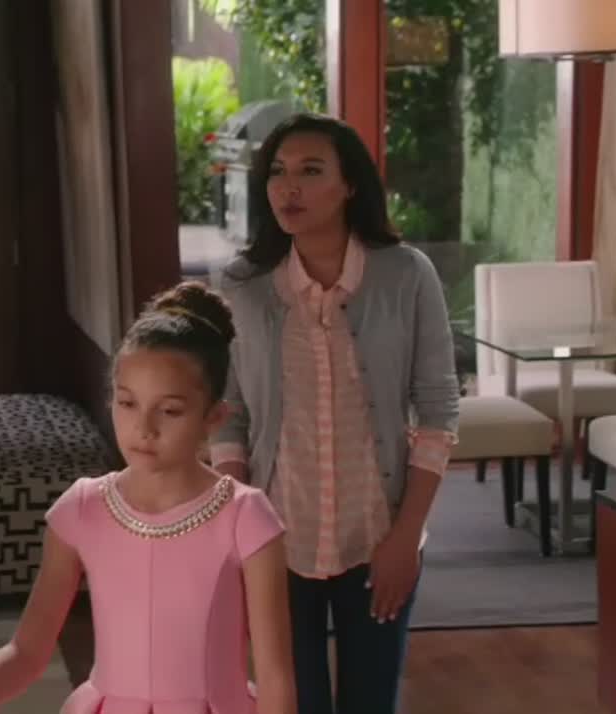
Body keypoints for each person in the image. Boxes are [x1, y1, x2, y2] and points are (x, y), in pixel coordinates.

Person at [0, 282, 297, 714]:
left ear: (213, 417)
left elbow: (275, 675)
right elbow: (27, 652)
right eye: (127, 403)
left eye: (170, 410)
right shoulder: (82, 510)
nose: (144, 428)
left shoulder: (245, 517)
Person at [209, 113, 460, 714]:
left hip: (378, 537)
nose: (288, 187)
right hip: (276, 540)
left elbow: (438, 410)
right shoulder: (242, 286)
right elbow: (230, 416)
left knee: (371, 701)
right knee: (293, 702)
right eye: (278, 172)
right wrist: (238, 532)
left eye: (310, 170)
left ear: (349, 185)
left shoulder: (407, 275)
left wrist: (406, 537)